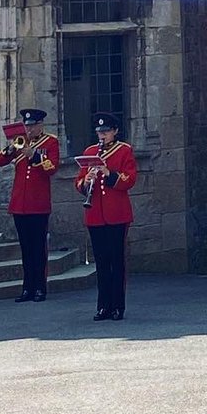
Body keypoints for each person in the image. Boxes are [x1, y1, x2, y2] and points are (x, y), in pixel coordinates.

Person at [0, 107, 59, 302]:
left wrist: (35, 155)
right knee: (25, 248)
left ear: (40, 125)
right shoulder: (20, 141)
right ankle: (27, 287)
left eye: (32, 126)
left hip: (38, 203)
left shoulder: (50, 142)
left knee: (38, 248)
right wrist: (11, 149)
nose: (29, 130)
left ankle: (40, 287)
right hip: (20, 203)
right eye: (27, 126)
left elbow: (52, 167)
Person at [77, 113, 137, 321]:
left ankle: (117, 306)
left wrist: (107, 172)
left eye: (106, 132)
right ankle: (103, 306)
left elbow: (129, 180)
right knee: (101, 263)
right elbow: (78, 184)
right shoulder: (90, 152)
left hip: (117, 214)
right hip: (95, 215)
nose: (102, 135)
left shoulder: (124, 151)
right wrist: (87, 180)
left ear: (115, 132)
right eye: (99, 132)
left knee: (117, 262)